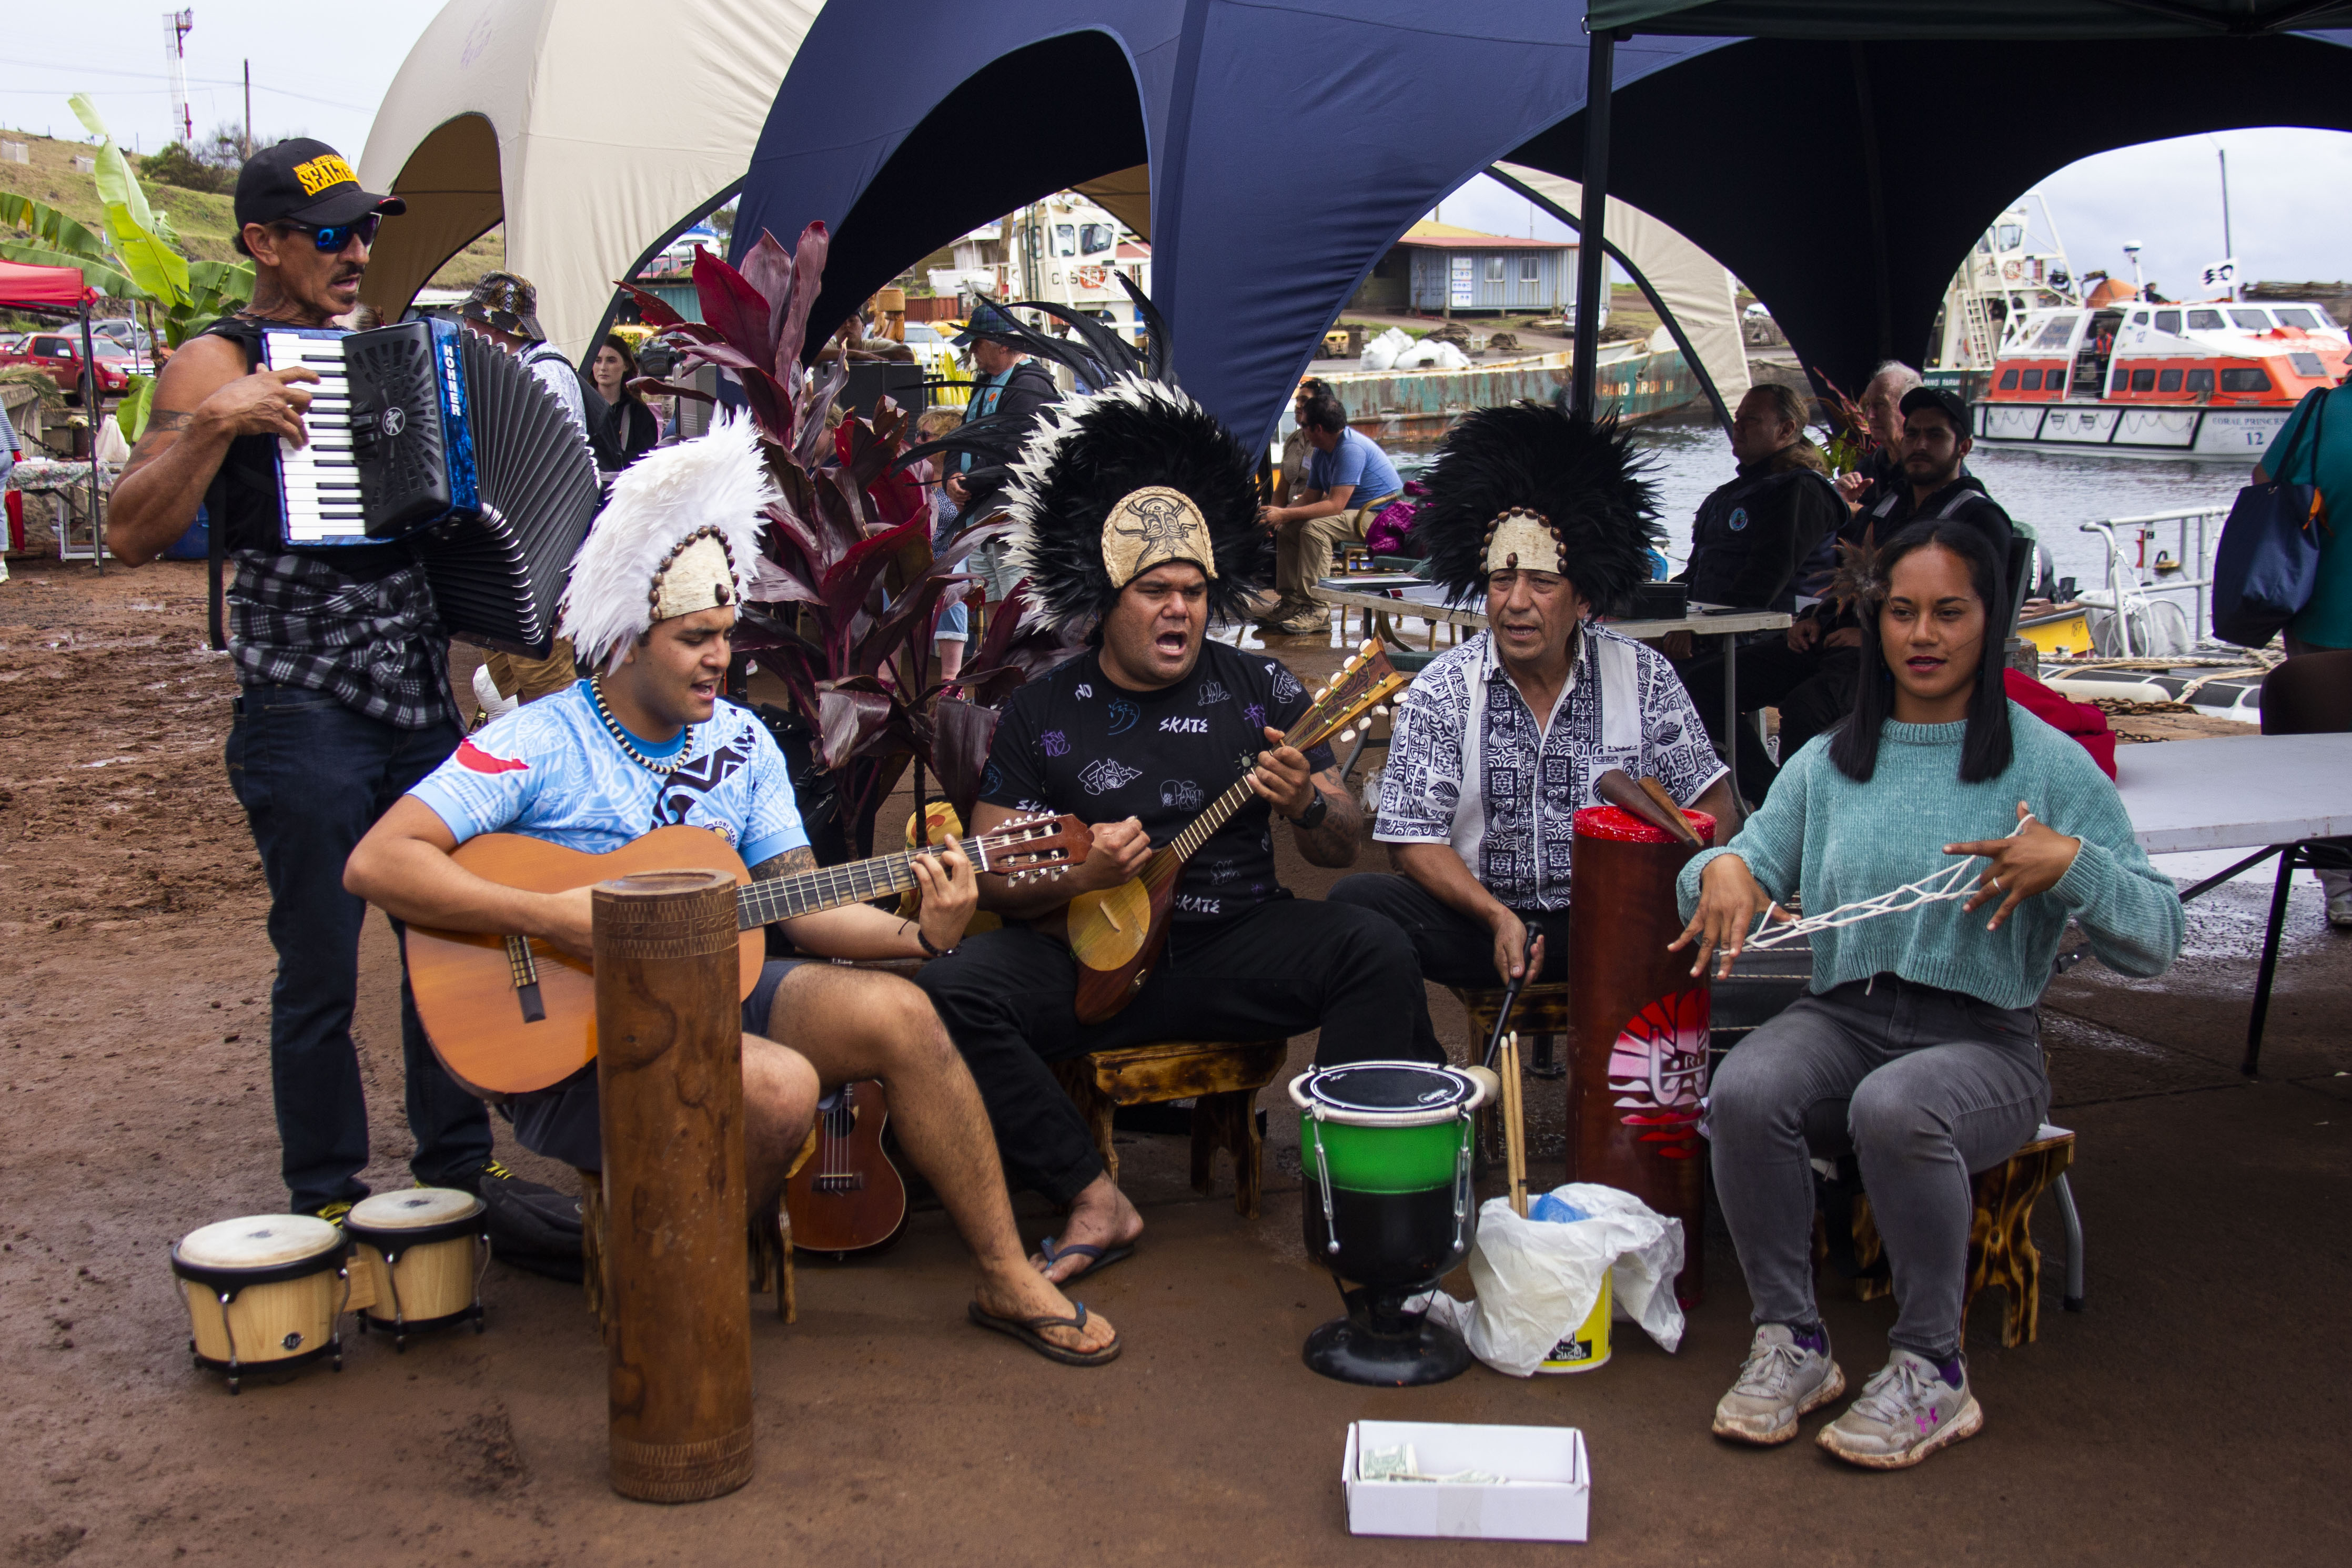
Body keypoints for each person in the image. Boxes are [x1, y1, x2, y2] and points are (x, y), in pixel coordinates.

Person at [343, 419, 1118, 1365]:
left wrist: (923, 933)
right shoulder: (540, 741)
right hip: (577, 1040)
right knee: (777, 1086)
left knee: (905, 1015)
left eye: (725, 636)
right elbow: (379, 863)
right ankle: (681, 1298)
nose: (721, 658)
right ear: (629, 639)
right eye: (694, 639)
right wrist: (556, 918)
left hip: (716, 993)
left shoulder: (743, 743)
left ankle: (1002, 1273)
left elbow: (798, 900)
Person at [912, 332, 1442, 1286]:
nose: (1179, 611)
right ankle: (1089, 1192)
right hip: (1083, 954)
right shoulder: (1044, 708)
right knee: (948, 993)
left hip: (1226, 943)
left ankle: (1355, 1204)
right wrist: (1081, 873)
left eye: (1194, 593)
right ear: (1106, 600)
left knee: (1374, 946)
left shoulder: (1259, 690)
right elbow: (990, 867)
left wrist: (1307, 803)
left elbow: (1338, 842)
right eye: (1155, 591)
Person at [1674, 519, 2181, 1470]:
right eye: (1901, 611)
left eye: (1949, 612)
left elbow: (2157, 937)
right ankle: (1791, 1342)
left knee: (1894, 1104)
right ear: (1875, 622)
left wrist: (2071, 864)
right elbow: (1729, 869)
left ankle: (1931, 1368)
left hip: (1983, 1044)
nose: (1922, 634)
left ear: (1990, 622)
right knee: (1744, 1088)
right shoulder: (1830, 762)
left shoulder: (2043, 764)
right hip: (1844, 1013)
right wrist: (1720, 870)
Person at [102, 138, 492, 1221]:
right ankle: (325, 1194)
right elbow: (130, 532)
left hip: (417, 692)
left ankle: (460, 1175)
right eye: (330, 234)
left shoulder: (390, 353)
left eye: (364, 230)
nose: (356, 251)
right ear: (263, 243)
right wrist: (216, 424)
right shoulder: (212, 364)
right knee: (320, 961)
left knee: (446, 940)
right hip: (303, 701)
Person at [1329, 402, 1738, 987]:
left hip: (1619, 919)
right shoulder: (1444, 687)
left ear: (1583, 599)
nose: (1515, 602)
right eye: (1502, 580)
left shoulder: (1643, 675)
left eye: (1542, 583)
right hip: (1483, 921)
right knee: (1359, 903)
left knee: (1707, 911)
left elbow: (1713, 803)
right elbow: (1412, 839)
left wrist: (1675, 876)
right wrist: (1496, 917)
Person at [1680, 385, 2015, 802]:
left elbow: (1978, 617)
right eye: (1912, 434)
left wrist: (1877, 638)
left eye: (1935, 435)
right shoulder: (1889, 506)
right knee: (1702, 685)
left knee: (1807, 708)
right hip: (1836, 644)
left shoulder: (1977, 518)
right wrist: (1814, 619)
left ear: (1962, 446)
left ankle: (1803, 814)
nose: (1919, 445)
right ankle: (1771, 799)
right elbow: (1845, 577)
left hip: (1903, 659)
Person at [459, 272, 591, 705]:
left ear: (494, 326)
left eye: (474, 322)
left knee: (547, 683)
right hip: (512, 554)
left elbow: (555, 471)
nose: (467, 329)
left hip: (540, 559)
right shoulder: (512, 368)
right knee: (517, 676)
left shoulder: (546, 373)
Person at [2250, 366, 2352, 926]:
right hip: (2323, 616)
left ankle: (2341, 886)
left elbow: (2265, 478)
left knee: (2324, 758)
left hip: (2319, 609)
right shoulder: (2320, 409)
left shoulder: (2319, 411)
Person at [1671, 382, 1843, 620]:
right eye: (1737, 418)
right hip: (1714, 624)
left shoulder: (1801, 490)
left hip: (1774, 631)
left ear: (1785, 430)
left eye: (1751, 419)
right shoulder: (1726, 494)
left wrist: (1701, 629)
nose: (1738, 426)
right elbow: (1697, 570)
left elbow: (1763, 580)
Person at [1255, 393, 1404, 636]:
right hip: (1355, 511)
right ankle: (1293, 602)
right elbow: (1310, 498)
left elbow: (1335, 505)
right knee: (1289, 528)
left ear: (1318, 429)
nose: (1301, 429)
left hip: (1380, 517)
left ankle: (1317, 609)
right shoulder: (1322, 451)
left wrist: (1284, 515)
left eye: (1304, 425)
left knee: (1315, 530)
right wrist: (1279, 516)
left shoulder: (1350, 449)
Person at [1832, 361, 1921, 517]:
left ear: (1910, 408)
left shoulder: (1928, 468)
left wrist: (1855, 511)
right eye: (1868, 405)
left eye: (1881, 404)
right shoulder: (1869, 466)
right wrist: (1839, 497)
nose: (1869, 415)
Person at [587, 333, 659, 477]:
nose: (603, 367)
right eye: (598, 360)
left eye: (611, 360)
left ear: (626, 365)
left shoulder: (639, 413)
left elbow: (648, 461)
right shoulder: (582, 407)